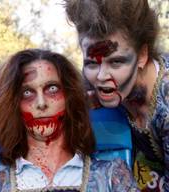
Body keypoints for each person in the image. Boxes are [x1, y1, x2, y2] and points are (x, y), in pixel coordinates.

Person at [0, 49, 138, 191]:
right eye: (27, 92)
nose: (41, 103)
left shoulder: (112, 177)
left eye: (52, 88)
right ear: (14, 105)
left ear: (69, 97)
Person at [64, 0, 169, 191]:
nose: (101, 76)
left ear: (142, 55)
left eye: (116, 62)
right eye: (91, 63)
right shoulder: (98, 82)